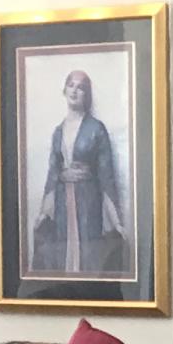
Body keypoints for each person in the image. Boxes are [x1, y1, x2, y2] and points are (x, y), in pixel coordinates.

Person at [30, 68, 132, 277]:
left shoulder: (96, 129)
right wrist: (43, 213)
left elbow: (107, 177)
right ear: (64, 90)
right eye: (71, 85)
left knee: (88, 252)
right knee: (62, 251)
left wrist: (117, 222)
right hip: (62, 203)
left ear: (87, 94)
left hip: (88, 201)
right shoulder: (58, 132)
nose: (75, 91)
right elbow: (52, 174)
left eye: (81, 87)